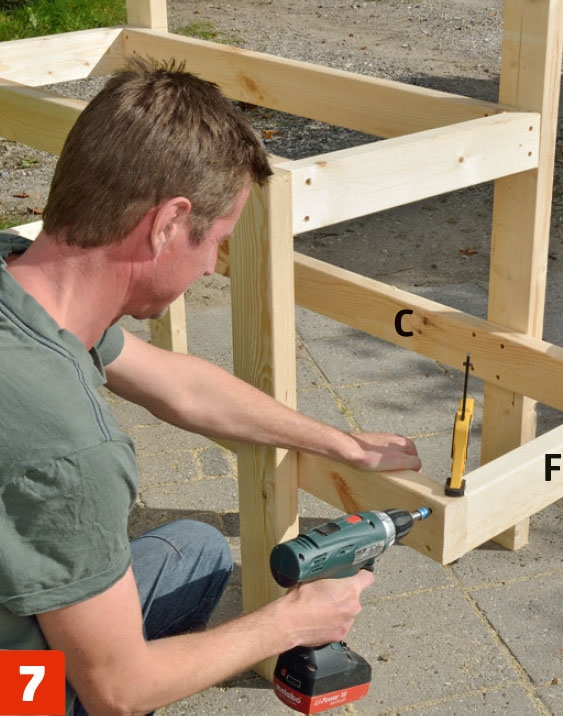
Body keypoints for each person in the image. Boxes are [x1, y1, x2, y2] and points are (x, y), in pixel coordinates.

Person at [0, 58, 421, 715]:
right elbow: (119, 690)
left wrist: (341, 444)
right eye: (216, 241)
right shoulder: (72, 446)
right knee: (101, 676)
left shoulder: (21, 276)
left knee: (196, 552)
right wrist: (292, 621)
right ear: (168, 224)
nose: (209, 268)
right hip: (14, 686)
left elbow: (183, 387)